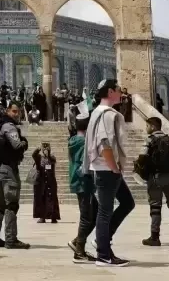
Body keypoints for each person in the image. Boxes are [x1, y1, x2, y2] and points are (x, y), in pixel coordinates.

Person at [82, 79, 134, 267]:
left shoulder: (99, 112)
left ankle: (102, 240)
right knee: (105, 211)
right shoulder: (106, 115)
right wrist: (114, 167)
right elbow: (104, 144)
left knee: (127, 202)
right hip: (106, 169)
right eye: (119, 89)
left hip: (106, 169)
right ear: (110, 92)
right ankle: (103, 255)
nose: (122, 93)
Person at [140, 117, 169, 247]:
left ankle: (154, 237)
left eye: (147, 126)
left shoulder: (149, 140)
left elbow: (142, 159)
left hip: (155, 178)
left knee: (155, 208)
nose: (146, 128)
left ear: (153, 127)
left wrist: (144, 174)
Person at [0, 102, 30, 249]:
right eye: (14, 111)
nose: (17, 114)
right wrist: (25, 142)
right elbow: (17, 145)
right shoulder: (9, 126)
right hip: (8, 170)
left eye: (18, 111)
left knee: (0, 205)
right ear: (7, 111)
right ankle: (11, 239)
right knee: (11, 204)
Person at [67, 110, 97, 263]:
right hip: (84, 183)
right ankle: (79, 251)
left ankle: (77, 242)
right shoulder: (83, 143)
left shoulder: (73, 140)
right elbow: (82, 166)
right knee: (86, 217)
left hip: (79, 182)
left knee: (94, 212)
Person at [33, 143, 60, 224]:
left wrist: (48, 155)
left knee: (52, 200)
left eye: (47, 148)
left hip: (51, 182)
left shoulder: (52, 158)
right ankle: (42, 217)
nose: (45, 150)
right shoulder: (39, 158)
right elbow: (34, 155)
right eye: (44, 148)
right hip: (41, 182)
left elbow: (53, 161)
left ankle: (53, 217)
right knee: (42, 199)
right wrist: (38, 149)